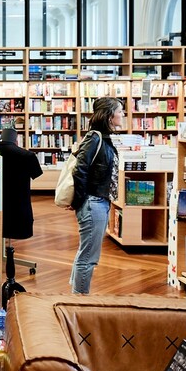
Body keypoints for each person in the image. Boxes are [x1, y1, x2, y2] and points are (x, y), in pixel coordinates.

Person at [69, 97, 124, 294]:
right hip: (93, 202)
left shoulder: (102, 138)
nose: (123, 115)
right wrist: (79, 200)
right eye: (120, 111)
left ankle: (76, 295)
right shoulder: (95, 138)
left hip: (98, 201)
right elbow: (80, 170)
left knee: (86, 252)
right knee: (89, 257)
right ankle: (80, 300)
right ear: (110, 115)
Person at [0, 127, 44, 307]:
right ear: (16, 140)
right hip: (19, 212)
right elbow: (37, 174)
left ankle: (2, 255)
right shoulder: (27, 156)